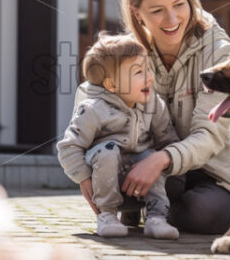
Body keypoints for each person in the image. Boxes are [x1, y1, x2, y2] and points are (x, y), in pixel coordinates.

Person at [76, 0, 230, 234]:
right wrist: (83, 171)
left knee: (201, 214)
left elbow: (210, 134)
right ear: (136, 13)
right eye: (157, 11)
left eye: (180, 4)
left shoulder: (218, 50)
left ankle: (155, 211)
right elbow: (89, 98)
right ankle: (154, 209)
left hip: (211, 172)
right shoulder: (127, 52)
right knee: (106, 170)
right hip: (154, 169)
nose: (172, 18)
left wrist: (160, 159)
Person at [57, 33, 181, 239]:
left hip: (142, 184)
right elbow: (69, 146)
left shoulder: (153, 104)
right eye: (139, 72)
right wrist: (83, 178)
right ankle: (107, 216)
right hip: (106, 186)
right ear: (112, 86)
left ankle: (156, 216)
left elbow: (169, 139)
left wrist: (165, 160)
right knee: (108, 150)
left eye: (149, 68)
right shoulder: (93, 109)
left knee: (153, 156)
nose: (149, 77)